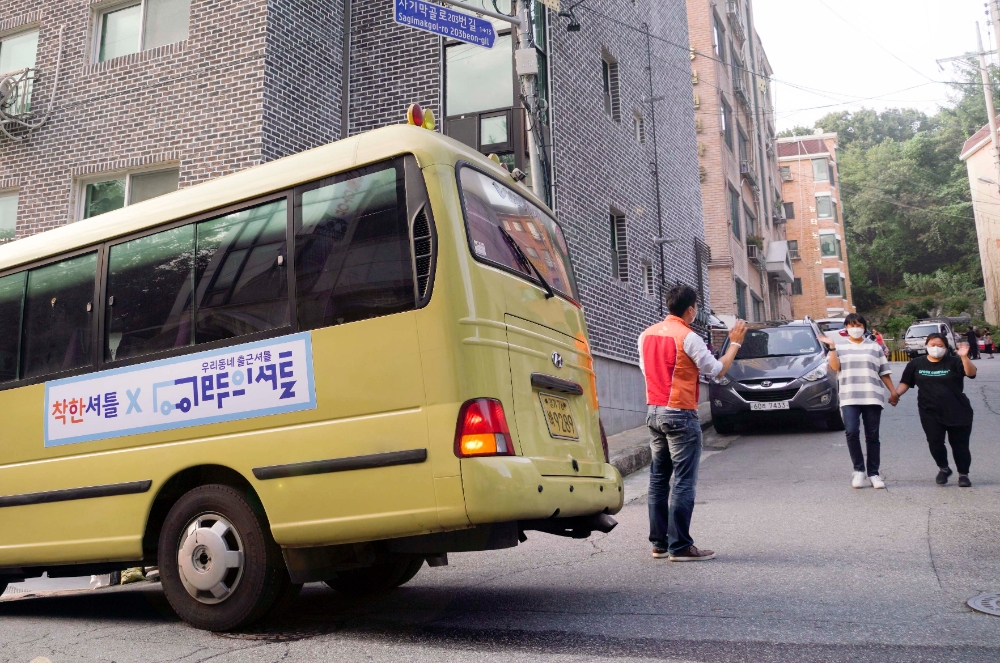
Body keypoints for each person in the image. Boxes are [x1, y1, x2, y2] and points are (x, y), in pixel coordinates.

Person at [638, 285, 747, 562]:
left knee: (658, 479)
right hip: (680, 413)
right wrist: (735, 344)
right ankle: (680, 546)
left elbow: (645, 370)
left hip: (654, 411)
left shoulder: (646, 335)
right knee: (683, 480)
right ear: (690, 309)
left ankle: (660, 544)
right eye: (696, 307)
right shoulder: (688, 337)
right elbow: (716, 370)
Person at [821, 313, 899, 489]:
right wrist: (832, 347)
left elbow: (884, 371)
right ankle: (858, 470)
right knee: (851, 432)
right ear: (846, 328)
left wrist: (893, 392)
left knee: (872, 436)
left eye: (858, 325)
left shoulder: (874, 347)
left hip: (872, 395)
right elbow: (835, 367)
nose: (855, 328)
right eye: (851, 325)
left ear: (864, 327)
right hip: (849, 396)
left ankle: (874, 473)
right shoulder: (839, 347)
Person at [896, 333, 976, 487]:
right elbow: (906, 382)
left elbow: (971, 373)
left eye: (940, 346)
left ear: (946, 347)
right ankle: (944, 468)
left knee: (959, 444)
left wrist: (964, 357)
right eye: (933, 345)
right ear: (926, 345)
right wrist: (896, 395)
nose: (936, 348)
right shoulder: (916, 364)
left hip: (957, 410)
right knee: (934, 442)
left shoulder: (954, 361)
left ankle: (963, 474)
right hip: (929, 411)